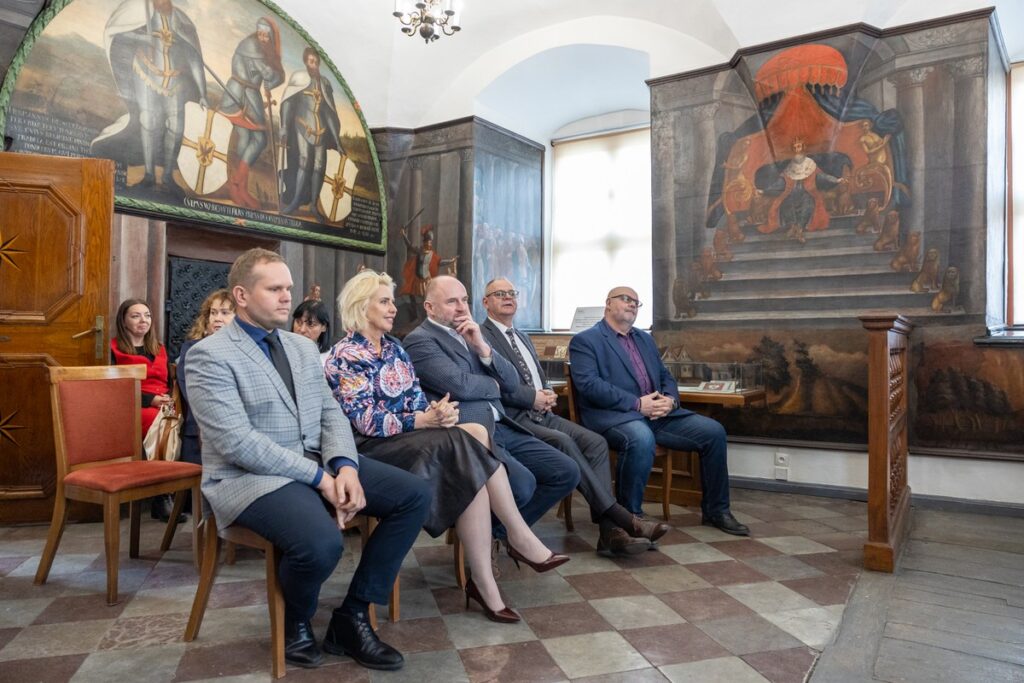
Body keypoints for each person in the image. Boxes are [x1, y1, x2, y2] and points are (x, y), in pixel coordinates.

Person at [184, 248, 430, 671]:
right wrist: (322, 478)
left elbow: (330, 413)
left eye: (288, 289)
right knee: (321, 544)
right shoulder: (210, 355)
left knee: (414, 495)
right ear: (241, 295)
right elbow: (238, 443)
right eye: (274, 289)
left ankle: (352, 617)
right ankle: (296, 622)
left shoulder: (300, 347)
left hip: (315, 463)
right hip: (248, 479)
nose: (286, 297)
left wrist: (347, 466)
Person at [325, 270, 568, 623]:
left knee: (472, 441)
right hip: (373, 447)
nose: (393, 308)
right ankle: (515, 540)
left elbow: (413, 400)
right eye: (384, 301)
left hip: (409, 437)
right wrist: (423, 420)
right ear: (361, 306)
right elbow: (364, 421)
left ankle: (488, 578)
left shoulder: (393, 348)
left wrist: (433, 411)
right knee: (467, 444)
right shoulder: (346, 354)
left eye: (392, 300)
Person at [481, 278, 670, 555]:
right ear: (486, 302)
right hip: (514, 418)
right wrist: (531, 397)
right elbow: (491, 386)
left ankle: (609, 533)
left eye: (512, 293)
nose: (508, 297)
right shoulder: (481, 337)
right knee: (565, 443)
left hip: (542, 414)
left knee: (595, 442)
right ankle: (619, 520)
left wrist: (546, 392)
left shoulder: (521, 335)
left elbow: (534, 376)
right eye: (500, 294)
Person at [403, 276, 580, 542]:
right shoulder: (420, 340)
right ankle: (492, 545)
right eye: (452, 301)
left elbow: (510, 381)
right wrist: (495, 386)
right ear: (430, 307)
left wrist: (482, 347)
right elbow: (460, 386)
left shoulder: (472, 334)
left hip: (502, 425)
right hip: (470, 433)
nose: (462, 307)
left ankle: (500, 537)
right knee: (522, 485)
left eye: (464, 300)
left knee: (566, 472)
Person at [568, 286, 749, 536]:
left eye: (636, 302)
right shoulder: (586, 340)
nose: (632, 304)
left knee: (713, 432)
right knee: (641, 438)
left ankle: (716, 511)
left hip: (658, 415)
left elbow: (665, 376)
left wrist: (671, 401)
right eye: (626, 299)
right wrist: (637, 404)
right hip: (616, 417)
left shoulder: (644, 338)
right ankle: (630, 518)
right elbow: (589, 386)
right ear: (608, 303)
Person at [92, 0, 207, 192]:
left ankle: (168, 176)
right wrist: (143, 38)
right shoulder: (138, 8)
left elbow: (194, 57)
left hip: (175, 80)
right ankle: (149, 175)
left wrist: (203, 93)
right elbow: (117, 32)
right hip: (146, 72)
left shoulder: (182, 20)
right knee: (149, 121)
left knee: (177, 127)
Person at [110, 298, 180, 523]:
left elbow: (168, 381)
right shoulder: (114, 348)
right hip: (135, 405)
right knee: (162, 425)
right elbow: (116, 388)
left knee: (177, 424)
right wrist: (151, 400)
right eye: (135, 315)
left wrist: (168, 397)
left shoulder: (158, 347)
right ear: (124, 320)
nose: (143, 320)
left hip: (165, 402)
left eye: (147, 315)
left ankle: (171, 492)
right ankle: (163, 495)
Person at [220, 17, 285, 209]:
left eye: (266, 34)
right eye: (261, 33)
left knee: (245, 139)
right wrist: (275, 75)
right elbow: (269, 75)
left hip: (240, 93)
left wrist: (272, 78)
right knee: (260, 139)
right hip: (244, 94)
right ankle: (236, 181)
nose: (263, 37)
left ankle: (241, 190)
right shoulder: (252, 47)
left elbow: (271, 78)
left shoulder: (256, 46)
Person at [280, 47, 343, 220]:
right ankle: (295, 202)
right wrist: (284, 126)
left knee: (319, 166)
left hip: (320, 130)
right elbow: (287, 102)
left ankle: (313, 206)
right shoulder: (299, 78)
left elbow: (329, 114)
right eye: (310, 61)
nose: (313, 64)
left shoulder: (325, 83)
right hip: (301, 125)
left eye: (315, 61)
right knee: (304, 161)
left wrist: (337, 141)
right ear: (305, 61)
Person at [177, 289, 235, 465]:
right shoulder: (193, 349)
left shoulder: (245, 349)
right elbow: (191, 391)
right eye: (213, 312)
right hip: (200, 428)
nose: (217, 318)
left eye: (225, 313)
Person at [291, 299, 331, 364]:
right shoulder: (282, 351)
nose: (302, 330)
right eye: (298, 322)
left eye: (310, 324)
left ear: (324, 327)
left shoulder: (331, 359)